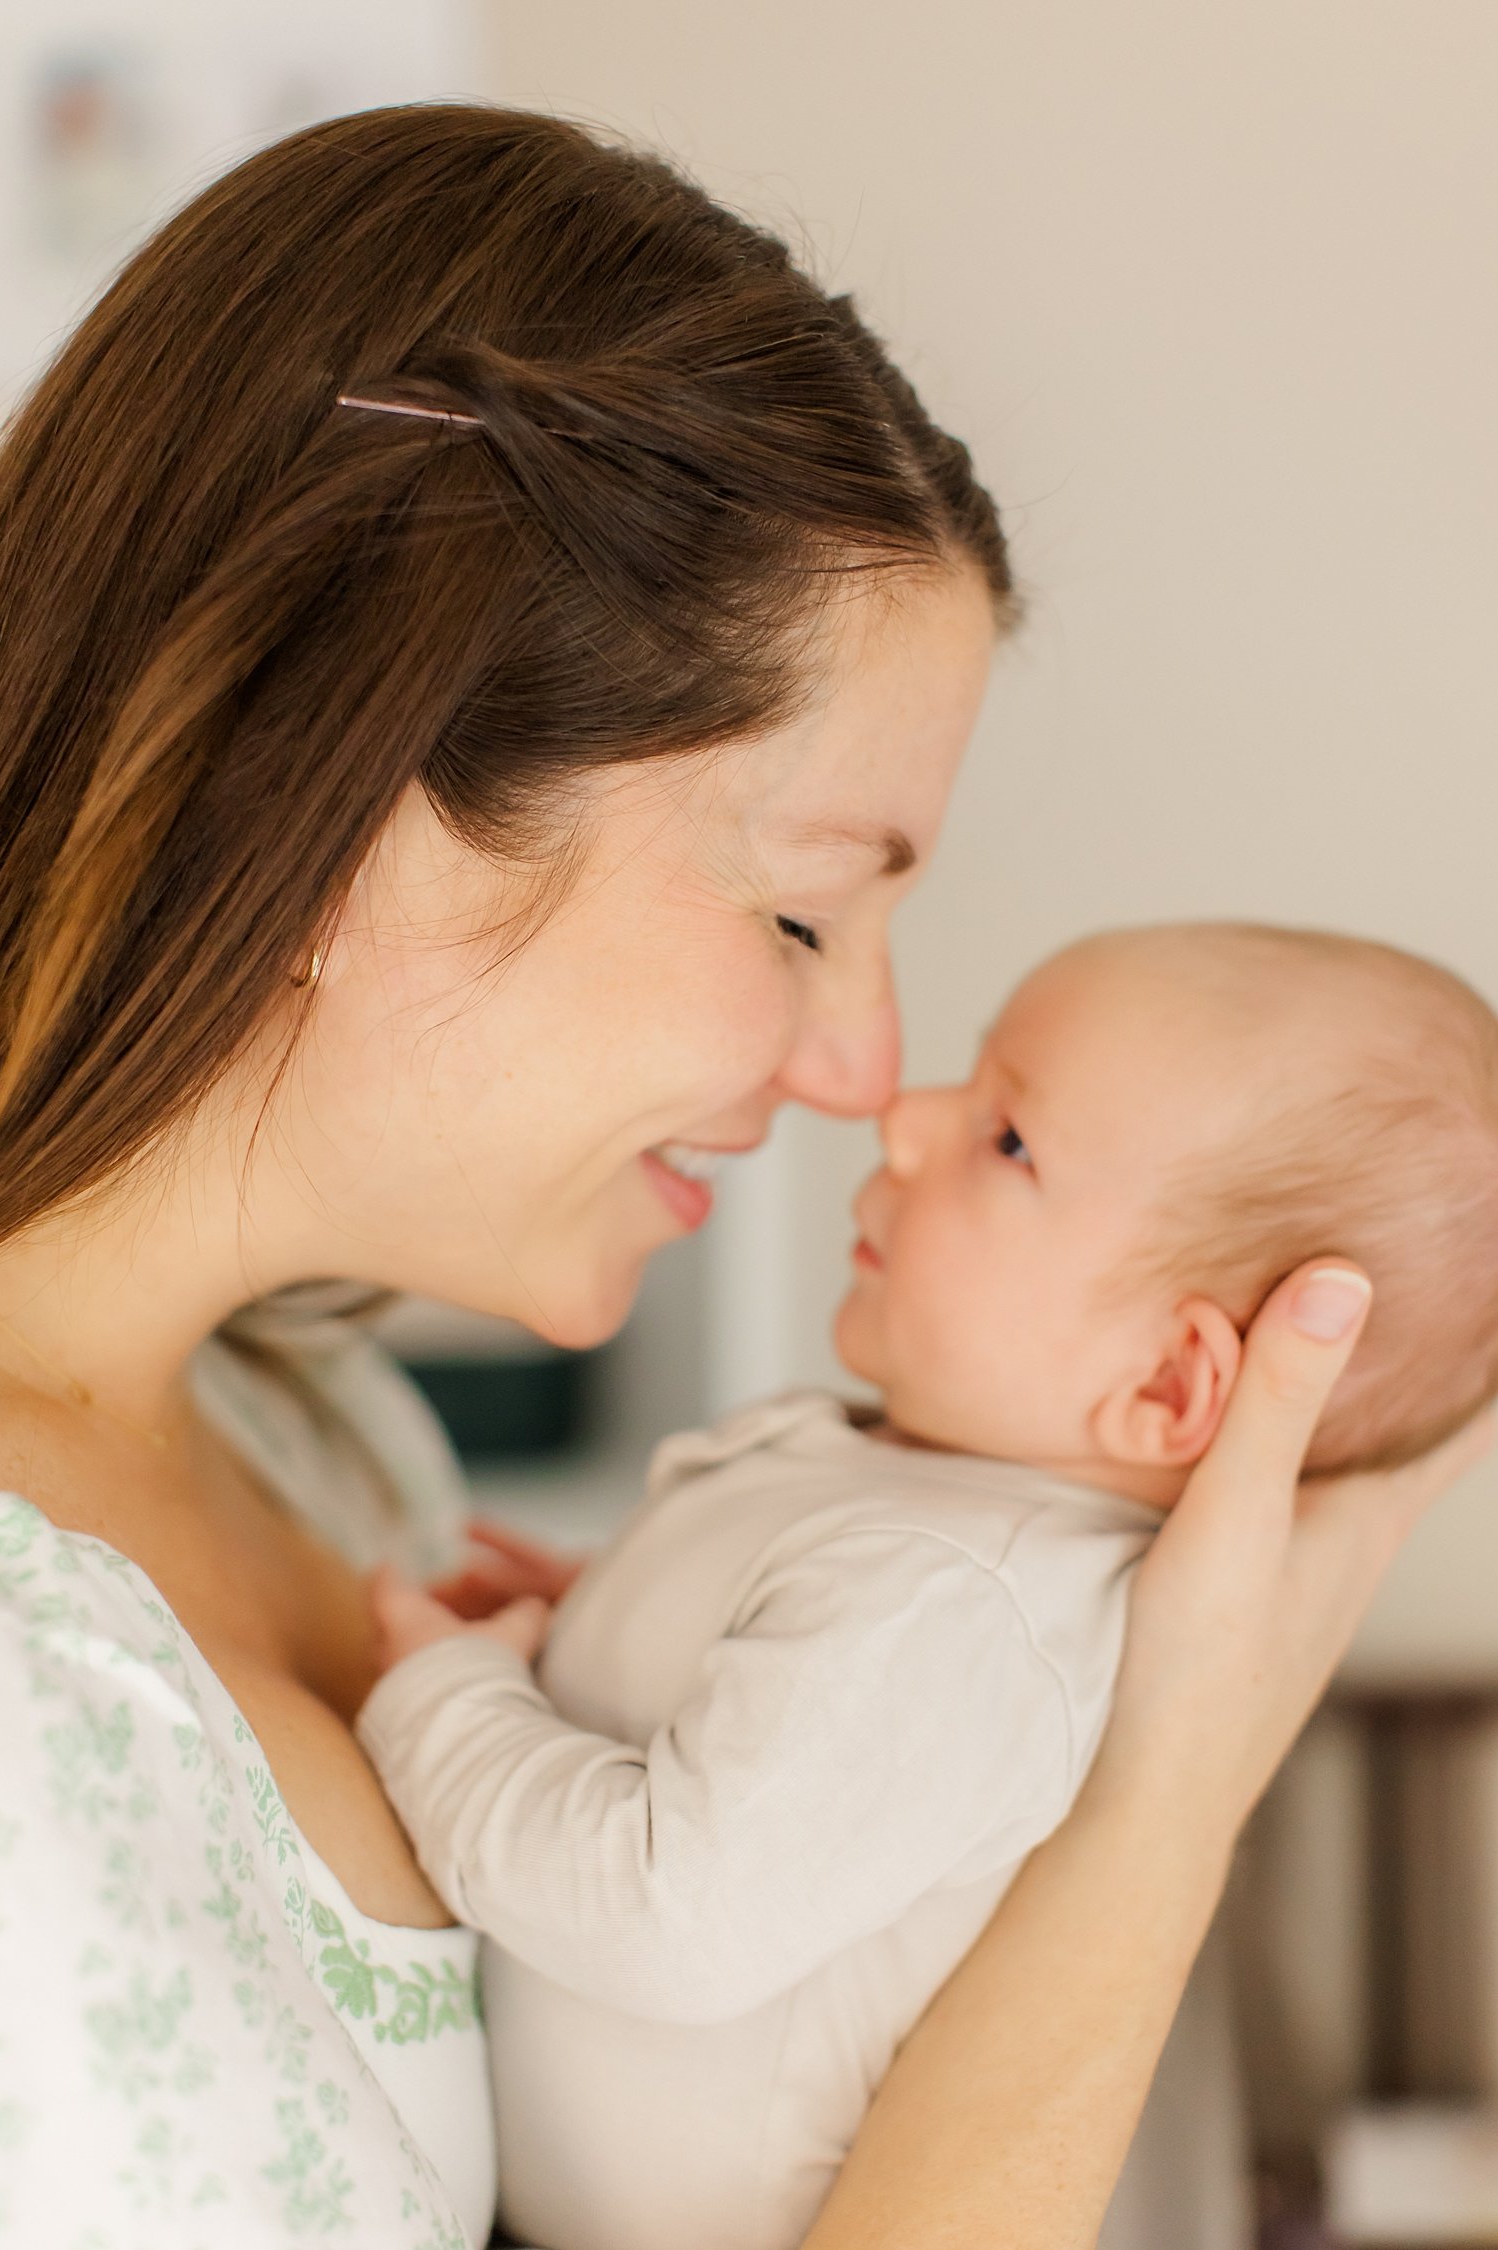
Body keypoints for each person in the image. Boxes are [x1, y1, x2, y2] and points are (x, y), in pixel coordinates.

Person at [0, 101, 1480, 2250]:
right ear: (334, 804)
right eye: (803, 912)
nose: (868, 1067)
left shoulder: (337, 1456)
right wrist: (1169, 1794)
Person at [356, 919, 1498, 2250]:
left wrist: (446, 1697)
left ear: (1170, 1385)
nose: (904, 1116)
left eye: (1009, 1140)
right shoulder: (942, 1527)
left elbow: (672, 1912)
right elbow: (804, 1713)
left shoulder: (961, 1609)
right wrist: (613, 1623)